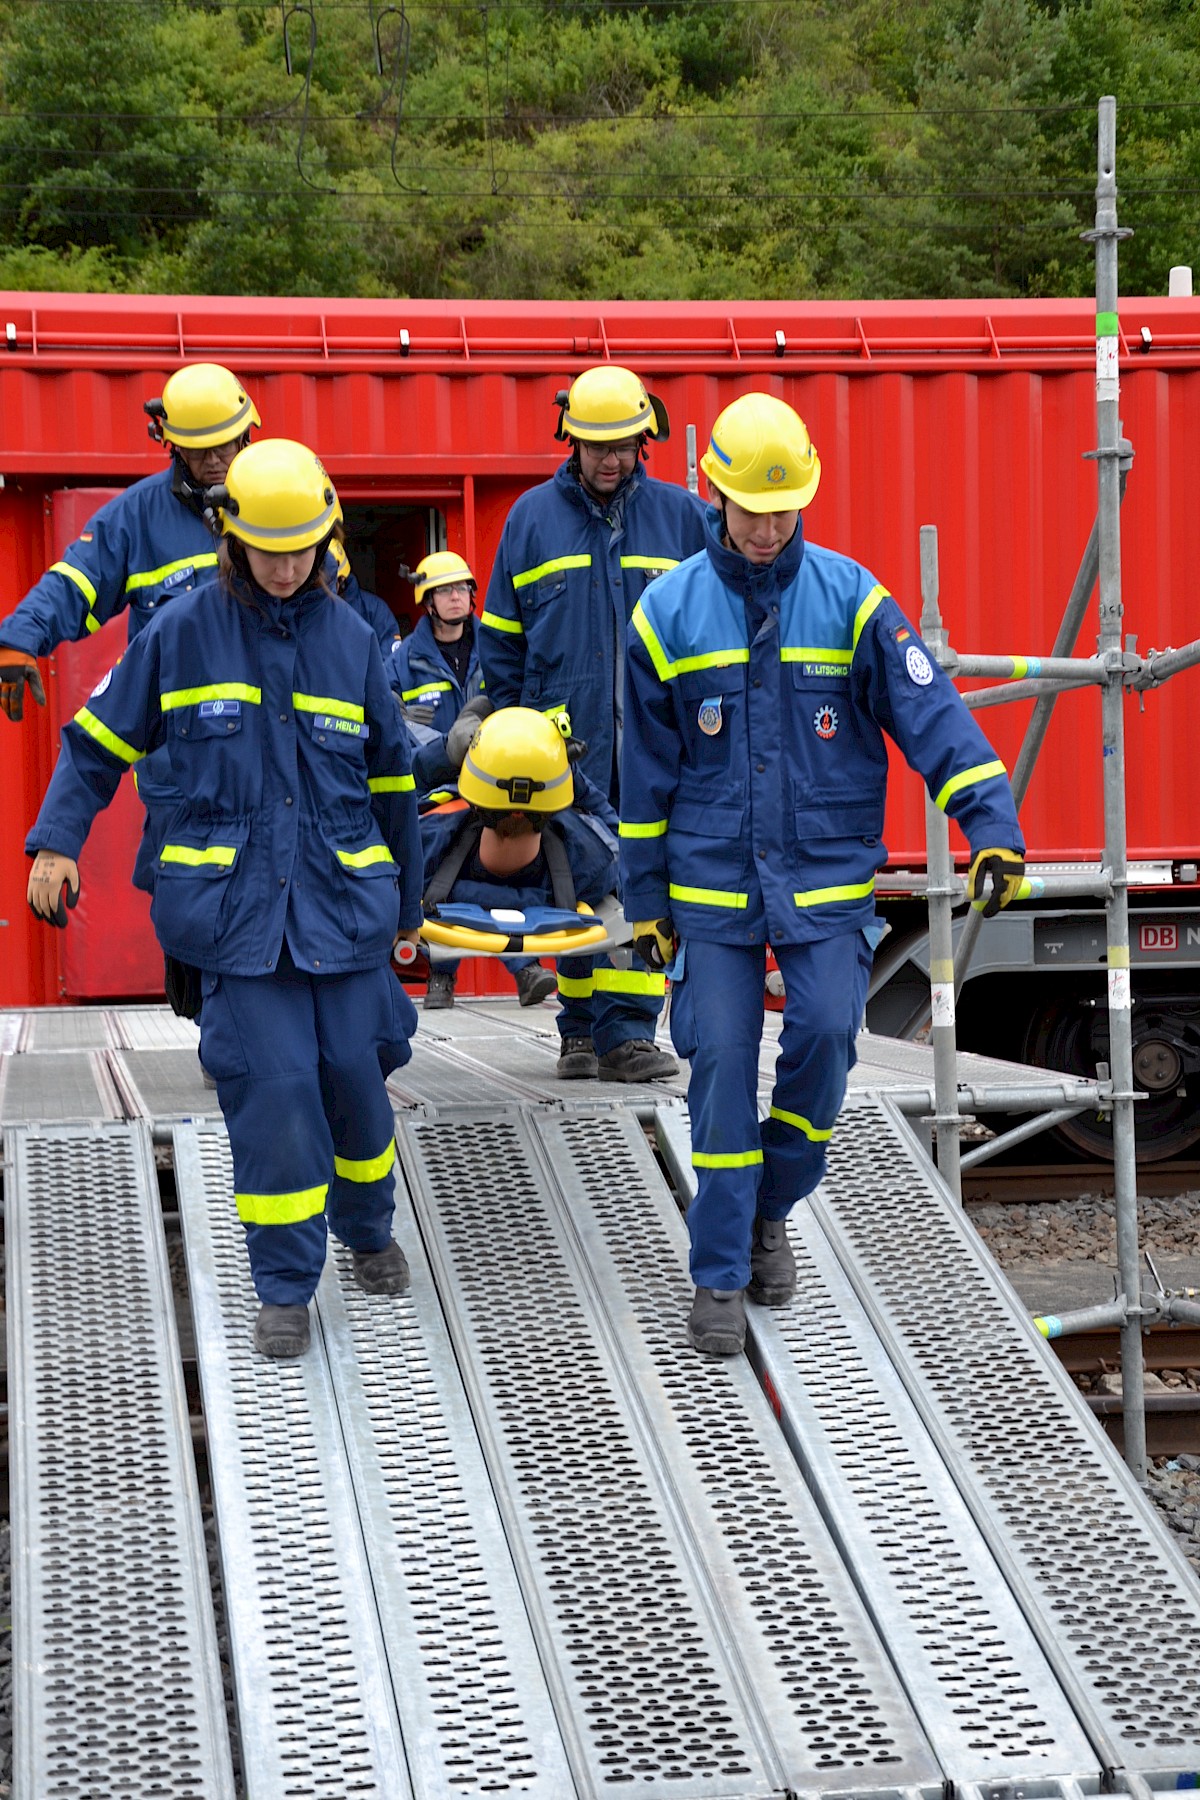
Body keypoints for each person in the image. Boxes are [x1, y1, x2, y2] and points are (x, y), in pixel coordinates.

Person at [618, 392, 1026, 1356]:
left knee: (829, 1037)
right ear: (713, 492)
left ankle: (772, 1208)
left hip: (822, 879)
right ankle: (718, 1271)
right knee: (717, 1063)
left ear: (805, 499)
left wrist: (990, 824)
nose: (766, 528)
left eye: (784, 509)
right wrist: (644, 902)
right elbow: (642, 775)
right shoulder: (666, 612)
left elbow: (934, 721)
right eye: (750, 509)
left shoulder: (854, 601)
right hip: (710, 889)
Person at [25, 438, 422, 1361]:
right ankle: (285, 1284)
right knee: (274, 1090)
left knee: (358, 1083)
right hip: (238, 924)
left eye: (303, 551)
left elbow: (394, 778)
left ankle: (366, 1228)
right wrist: (54, 841)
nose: (286, 569)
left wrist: (406, 910)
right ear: (229, 538)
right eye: (266, 550)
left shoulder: (354, 638)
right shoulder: (179, 631)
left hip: (345, 912)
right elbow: (94, 748)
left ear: (326, 541)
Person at [478, 363, 702, 1078]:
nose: (611, 459)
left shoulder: (683, 518)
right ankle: (578, 1031)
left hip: (654, 742)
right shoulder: (529, 519)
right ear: (568, 438)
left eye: (624, 445)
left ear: (645, 440)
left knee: (644, 882)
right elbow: (501, 644)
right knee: (574, 884)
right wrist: (512, 737)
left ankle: (627, 1033)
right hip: (560, 748)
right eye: (596, 445)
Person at [421, 707, 675, 1083]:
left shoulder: (426, 852)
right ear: (556, 805)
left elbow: (387, 795)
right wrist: (567, 774)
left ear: (473, 798)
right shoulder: (589, 863)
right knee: (632, 904)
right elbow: (620, 838)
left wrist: (442, 754)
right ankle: (620, 1039)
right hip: (564, 871)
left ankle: (579, 1039)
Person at [0, 363, 260, 719]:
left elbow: (332, 609)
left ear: (246, 436)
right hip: (175, 762)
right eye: (198, 449)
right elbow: (75, 584)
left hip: (267, 754)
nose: (214, 460)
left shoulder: (285, 500)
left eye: (224, 445)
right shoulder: (135, 517)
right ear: (174, 446)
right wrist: (18, 639)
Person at [393, 552, 556, 1012]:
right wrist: (444, 750)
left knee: (498, 873)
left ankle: (491, 969)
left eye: (462, 589)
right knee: (449, 868)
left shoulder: (499, 647)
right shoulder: (402, 662)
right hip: (439, 795)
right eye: (445, 590)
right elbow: (392, 731)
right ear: (427, 600)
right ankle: (507, 968)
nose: (456, 598)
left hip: (498, 793)